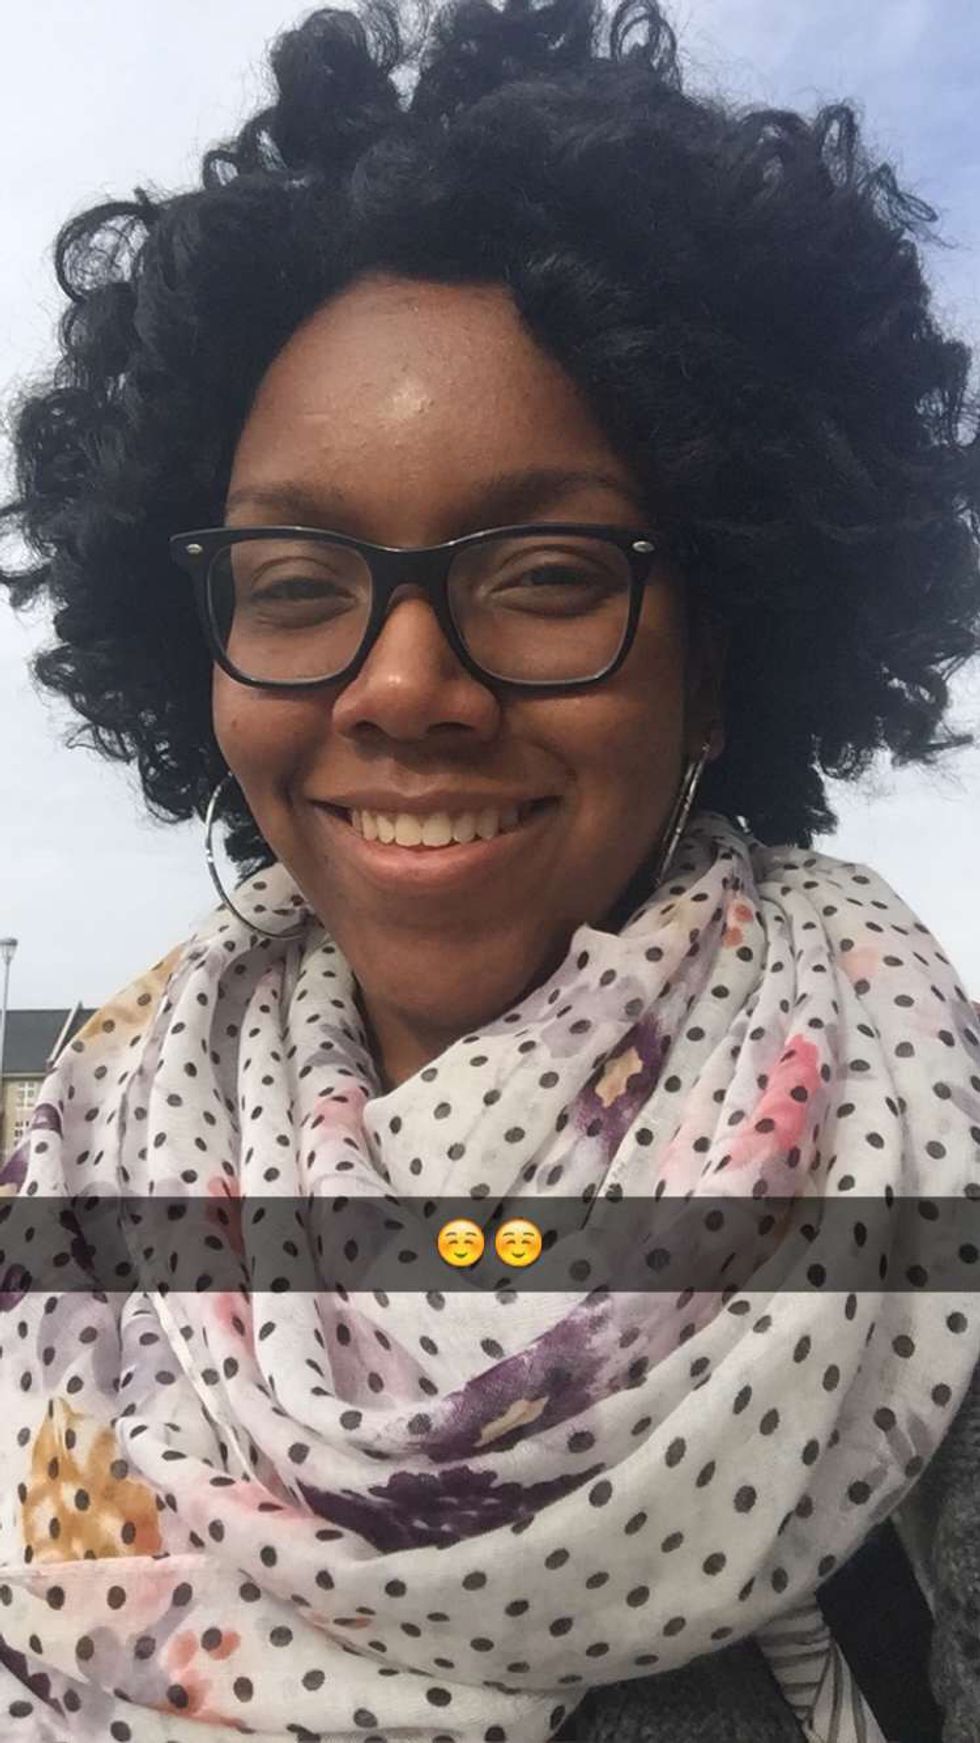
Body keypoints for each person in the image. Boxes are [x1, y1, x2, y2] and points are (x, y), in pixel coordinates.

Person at [1, 0, 979, 1738]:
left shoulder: (922, 1181)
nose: (401, 688)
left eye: (544, 574)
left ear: (719, 662)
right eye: (294, 584)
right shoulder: (84, 1167)